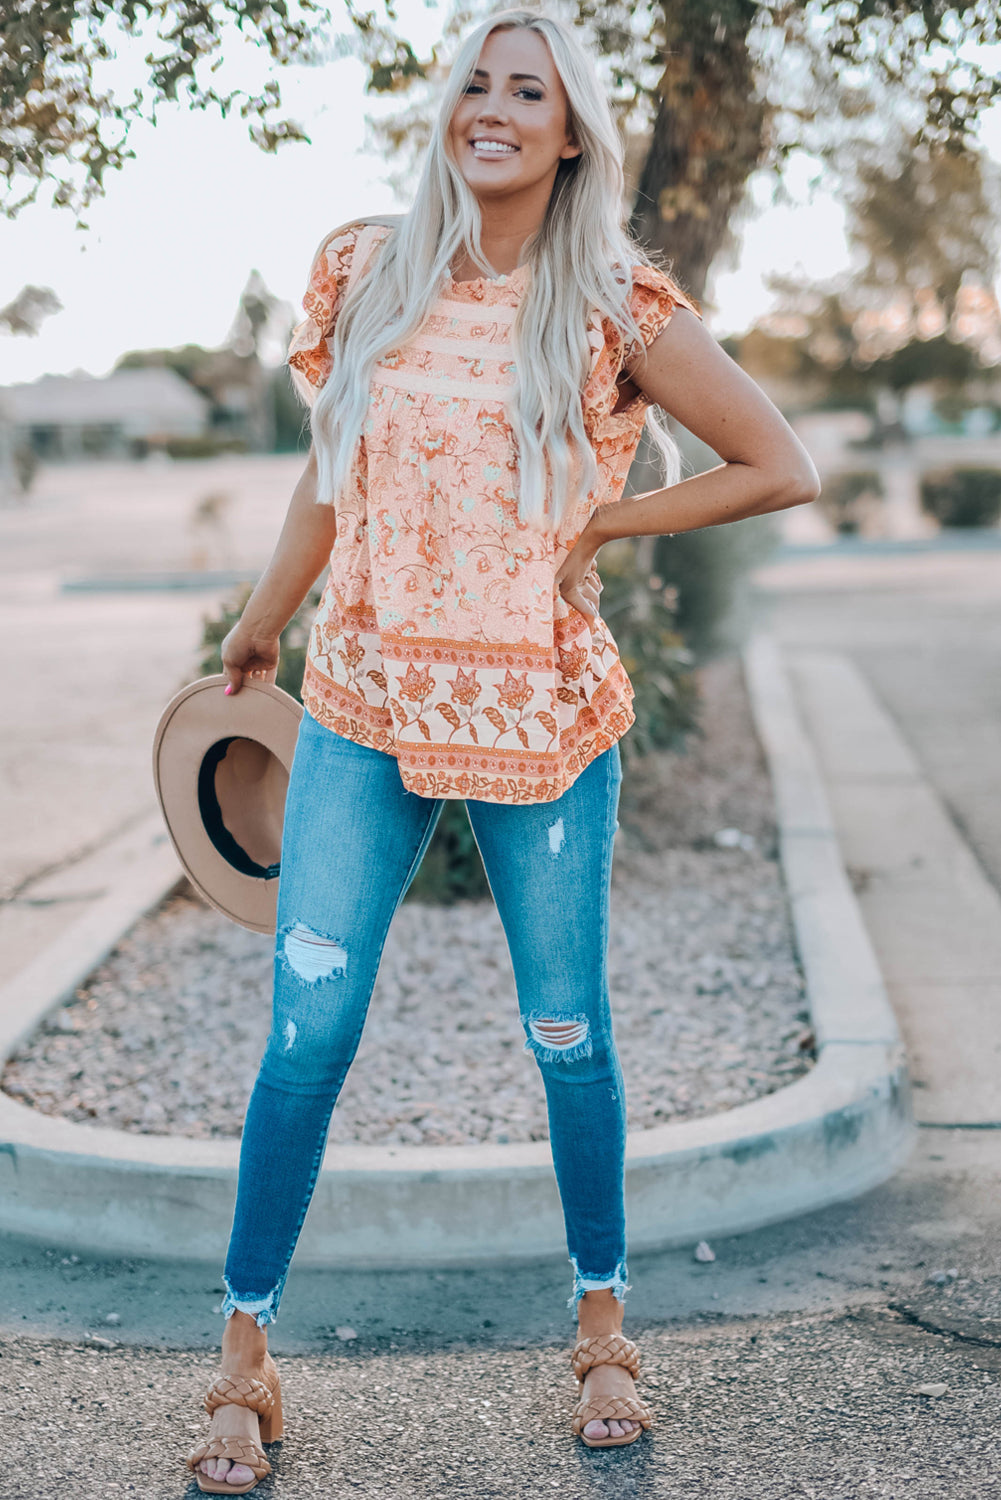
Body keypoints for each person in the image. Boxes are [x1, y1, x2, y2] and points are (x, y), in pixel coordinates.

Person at [186, 6, 819, 1491]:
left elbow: (777, 465)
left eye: (524, 89)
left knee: (565, 1032)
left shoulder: (611, 301)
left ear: (568, 128)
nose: (492, 106)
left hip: (541, 715)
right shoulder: (366, 269)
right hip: (357, 699)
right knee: (307, 1036)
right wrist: (261, 624)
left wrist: (596, 519)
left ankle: (601, 1330)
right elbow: (327, 477)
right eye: (474, 81)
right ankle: (242, 1358)